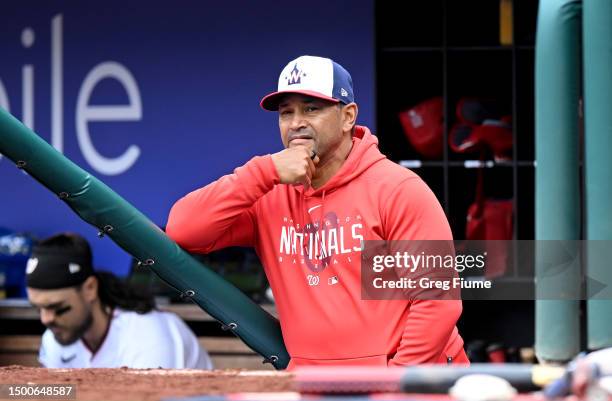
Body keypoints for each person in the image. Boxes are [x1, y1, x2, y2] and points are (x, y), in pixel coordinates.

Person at [166, 55, 468, 368]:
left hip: (406, 382)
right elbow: (184, 229)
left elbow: (436, 300)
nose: (296, 122)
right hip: (317, 383)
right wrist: (263, 172)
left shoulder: (397, 188)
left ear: (348, 116)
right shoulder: (268, 191)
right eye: (286, 112)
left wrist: (396, 383)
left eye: (312, 108)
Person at [26, 233, 213, 369]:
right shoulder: (55, 337)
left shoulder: (149, 336)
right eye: (38, 309)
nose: (46, 319)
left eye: (57, 308)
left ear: (90, 289)